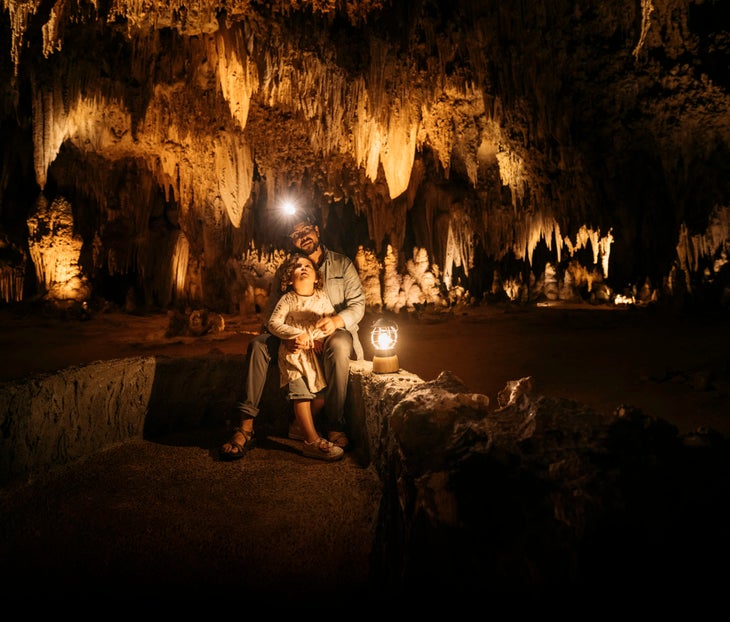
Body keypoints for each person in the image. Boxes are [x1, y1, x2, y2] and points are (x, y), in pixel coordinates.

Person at [220, 209, 365, 460]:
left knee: (340, 344)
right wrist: (288, 337)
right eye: (296, 234)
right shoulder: (288, 270)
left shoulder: (342, 264)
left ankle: (334, 424)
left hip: (331, 333)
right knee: (258, 345)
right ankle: (245, 426)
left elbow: (358, 304)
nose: (302, 237)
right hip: (292, 337)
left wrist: (336, 321)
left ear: (316, 230)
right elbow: (272, 316)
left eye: (306, 230)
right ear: (292, 240)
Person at [267, 254, 343, 461]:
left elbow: (327, 323)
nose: (303, 268)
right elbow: (273, 324)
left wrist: (316, 336)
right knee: (301, 394)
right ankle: (311, 440)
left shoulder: (321, 298)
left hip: (312, 356)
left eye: (307, 266)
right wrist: (295, 334)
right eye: (298, 266)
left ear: (317, 277)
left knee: (320, 397)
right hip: (292, 355)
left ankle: (297, 427)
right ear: (290, 279)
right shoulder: (288, 299)